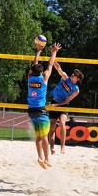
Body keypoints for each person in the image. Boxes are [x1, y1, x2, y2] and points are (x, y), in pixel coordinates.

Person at [27, 40, 62, 169]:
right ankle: (46, 159)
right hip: (41, 111)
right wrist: (54, 52)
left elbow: (34, 65)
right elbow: (51, 65)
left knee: (39, 137)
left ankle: (40, 157)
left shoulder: (30, 78)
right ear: (41, 73)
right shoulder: (44, 79)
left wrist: (38, 50)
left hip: (31, 112)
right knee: (44, 136)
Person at [48, 62, 84, 155]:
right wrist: (53, 59)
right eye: (73, 73)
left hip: (63, 104)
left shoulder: (76, 90)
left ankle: (63, 147)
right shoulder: (65, 78)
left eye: (75, 75)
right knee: (52, 125)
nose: (72, 75)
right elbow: (59, 69)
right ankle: (51, 147)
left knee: (62, 123)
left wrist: (57, 105)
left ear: (78, 79)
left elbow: (67, 100)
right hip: (54, 101)